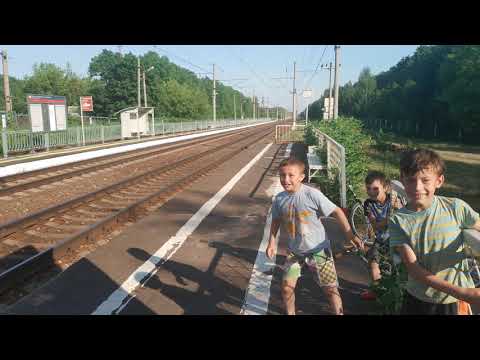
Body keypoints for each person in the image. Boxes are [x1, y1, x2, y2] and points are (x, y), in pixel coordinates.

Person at [266, 157, 363, 315]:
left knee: (330, 289)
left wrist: (350, 235)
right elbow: (276, 221)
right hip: (295, 252)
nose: (286, 179)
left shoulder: (312, 195)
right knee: (286, 288)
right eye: (282, 175)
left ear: (301, 177)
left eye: (291, 175)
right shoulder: (279, 199)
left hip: (319, 251)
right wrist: (271, 243)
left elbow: (336, 211)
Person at [389, 148, 480, 315]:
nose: (418, 187)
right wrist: (464, 293)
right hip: (419, 298)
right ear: (402, 180)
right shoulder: (398, 221)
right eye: (411, 180)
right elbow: (413, 268)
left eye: (425, 180)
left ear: (439, 181)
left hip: (453, 302)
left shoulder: (455, 207)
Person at [360, 171, 404, 301]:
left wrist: (397, 210)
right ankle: (377, 290)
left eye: (375, 188)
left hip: (395, 239)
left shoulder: (394, 199)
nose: (371, 192)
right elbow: (376, 226)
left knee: (396, 267)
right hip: (381, 239)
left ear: (385, 188)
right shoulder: (368, 204)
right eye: (368, 188)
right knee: (373, 262)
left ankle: (397, 294)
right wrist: (389, 218)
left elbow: (402, 215)